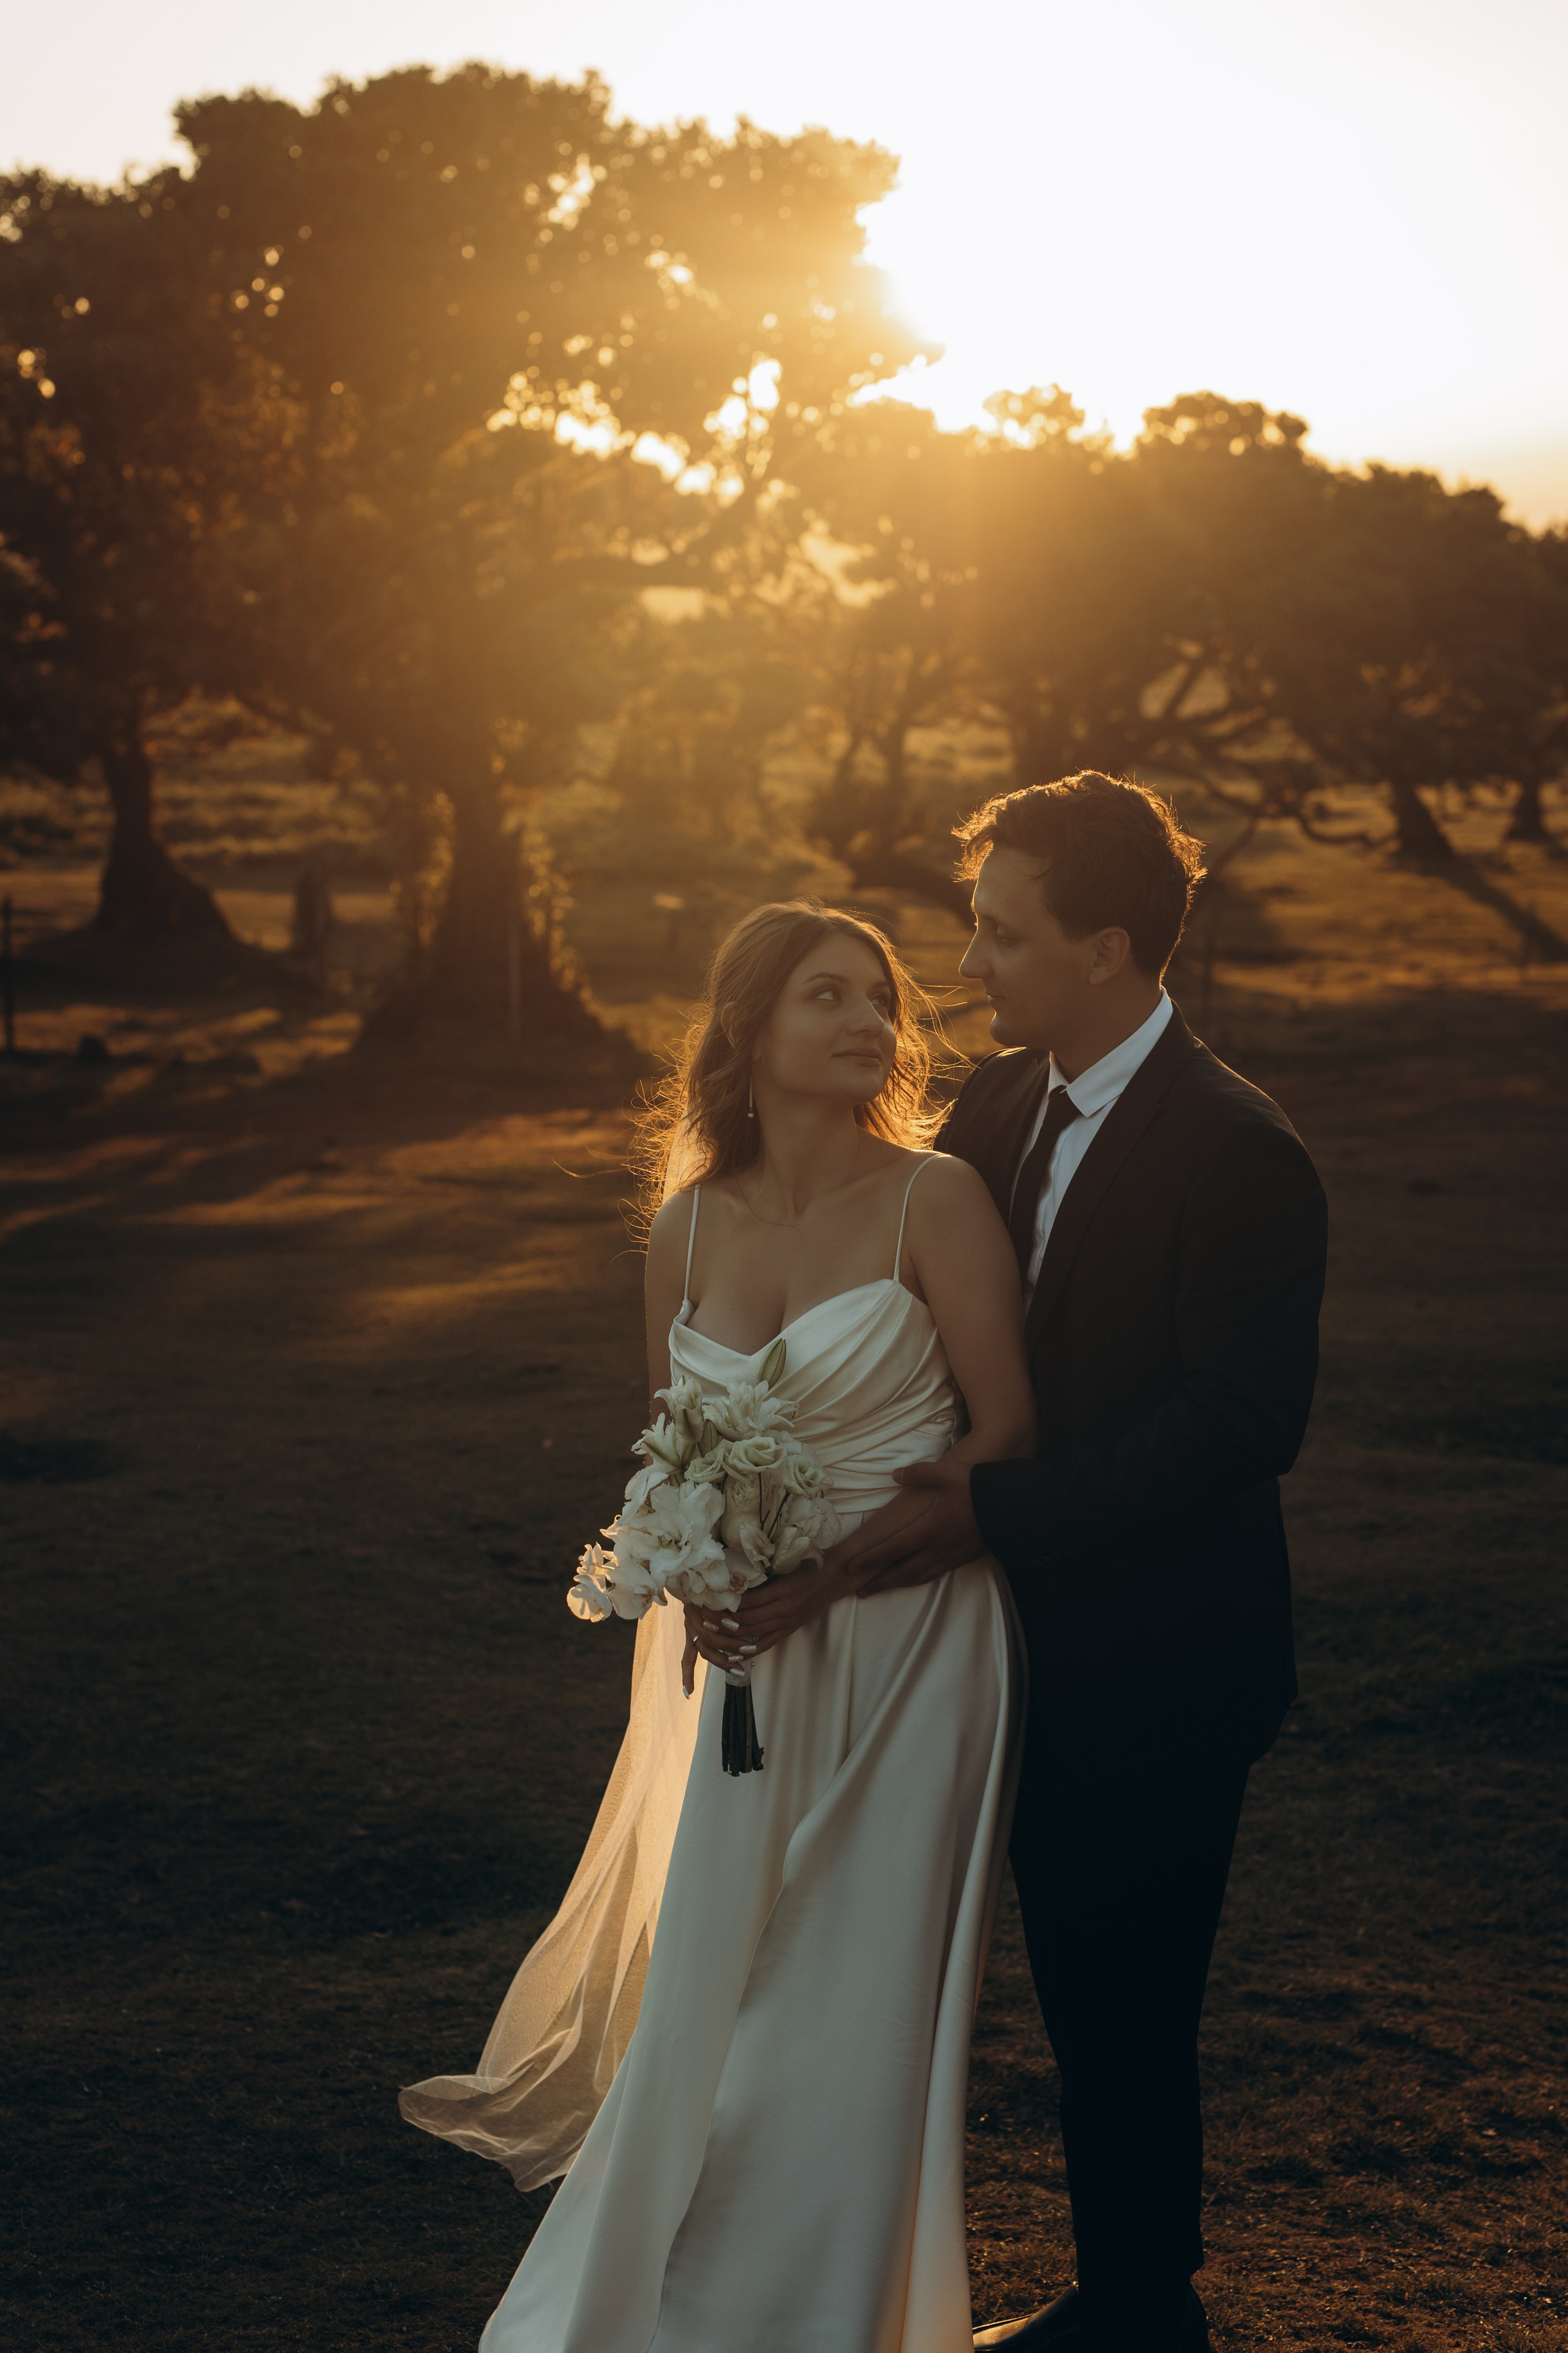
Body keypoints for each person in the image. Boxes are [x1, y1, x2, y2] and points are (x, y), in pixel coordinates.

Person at [693, 776, 1329, 2353]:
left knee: (1123, 1997)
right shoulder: (990, 1108)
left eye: (997, 932)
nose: (964, 967)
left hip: (1158, 1658)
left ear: (1103, 944)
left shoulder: (1236, 1150)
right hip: (970, 1643)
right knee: (1007, 1978)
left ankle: (1137, 2309)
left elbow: (1239, 1426)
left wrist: (996, 1514)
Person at [401, 899, 1037, 2353]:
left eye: (879, 998)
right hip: (741, 1656)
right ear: (748, 1026)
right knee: (722, 1963)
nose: (867, 1022)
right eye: (827, 995)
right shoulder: (684, 1224)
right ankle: (661, 2299)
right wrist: (690, 1569)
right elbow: (670, 1448)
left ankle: (824, 2312)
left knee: (850, 1983)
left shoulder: (930, 1198)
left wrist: (829, 1576)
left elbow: (1005, 1442)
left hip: (913, 1645)